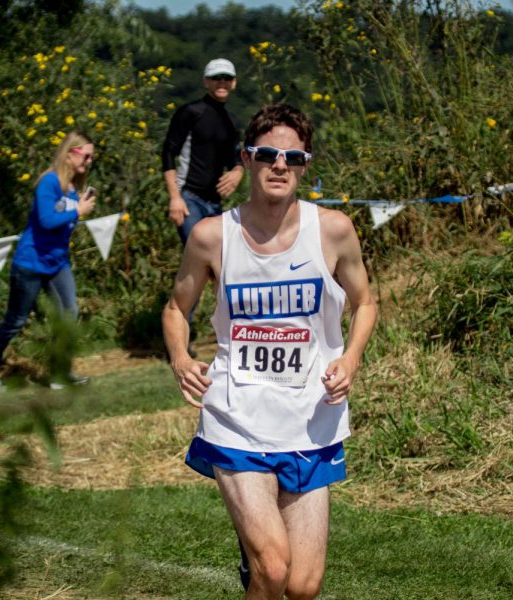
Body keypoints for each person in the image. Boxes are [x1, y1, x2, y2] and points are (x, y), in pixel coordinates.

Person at [162, 104, 378, 599]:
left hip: (310, 418)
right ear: (247, 158)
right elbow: (176, 308)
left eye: (293, 157)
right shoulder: (212, 235)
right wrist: (180, 358)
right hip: (236, 417)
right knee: (273, 569)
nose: (280, 165)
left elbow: (366, 303)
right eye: (267, 154)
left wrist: (351, 358)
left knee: (303, 586)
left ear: (305, 164)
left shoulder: (333, 230)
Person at [0, 131, 96, 392]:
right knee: (15, 321)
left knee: (69, 314)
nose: (89, 161)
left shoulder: (74, 189)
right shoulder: (49, 182)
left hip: (57, 263)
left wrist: (77, 209)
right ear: (70, 153)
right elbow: (46, 221)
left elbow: (63, 225)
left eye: (91, 157)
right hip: (30, 262)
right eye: (86, 156)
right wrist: (77, 211)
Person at [162, 58, 245, 356]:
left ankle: (231, 331)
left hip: (214, 204)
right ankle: (179, 335)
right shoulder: (190, 113)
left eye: (227, 78)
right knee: (202, 263)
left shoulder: (231, 122)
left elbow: (238, 158)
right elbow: (169, 153)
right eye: (216, 78)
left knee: (221, 268)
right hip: (189, 199)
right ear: (206, 82)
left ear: (234, 83)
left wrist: (237, 173)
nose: (222, 82)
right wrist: (175, 197)